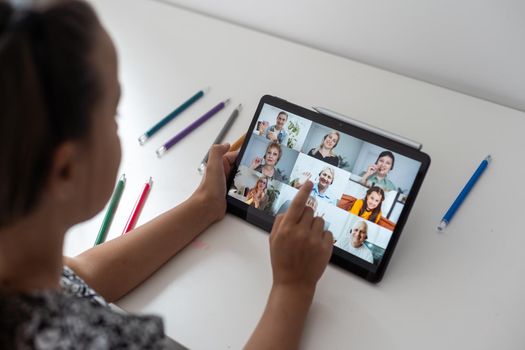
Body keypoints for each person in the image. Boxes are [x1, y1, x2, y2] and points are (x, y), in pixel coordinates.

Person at [0, 1, 333, 349]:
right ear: (66, 170)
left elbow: (79, 280)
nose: (119, 125)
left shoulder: (20, 265)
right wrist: (292, 289)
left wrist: (204, 204)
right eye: (114, 114)